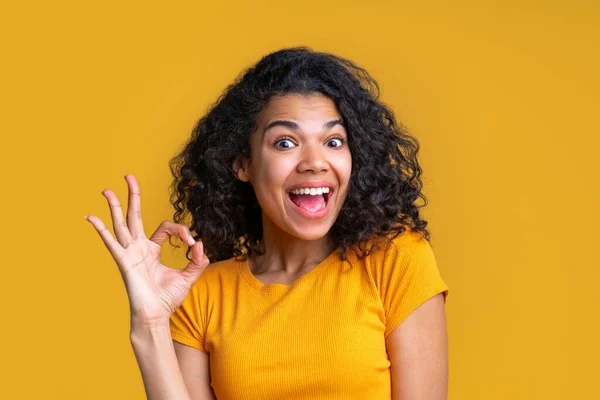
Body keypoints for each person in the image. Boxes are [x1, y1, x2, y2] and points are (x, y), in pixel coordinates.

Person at [86, 47, 450, 400]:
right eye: (286, 142)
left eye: (334, 141)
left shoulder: (395, 261)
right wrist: (150, 325)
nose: (315, 162)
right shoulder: (202, 295)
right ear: (242, 163)